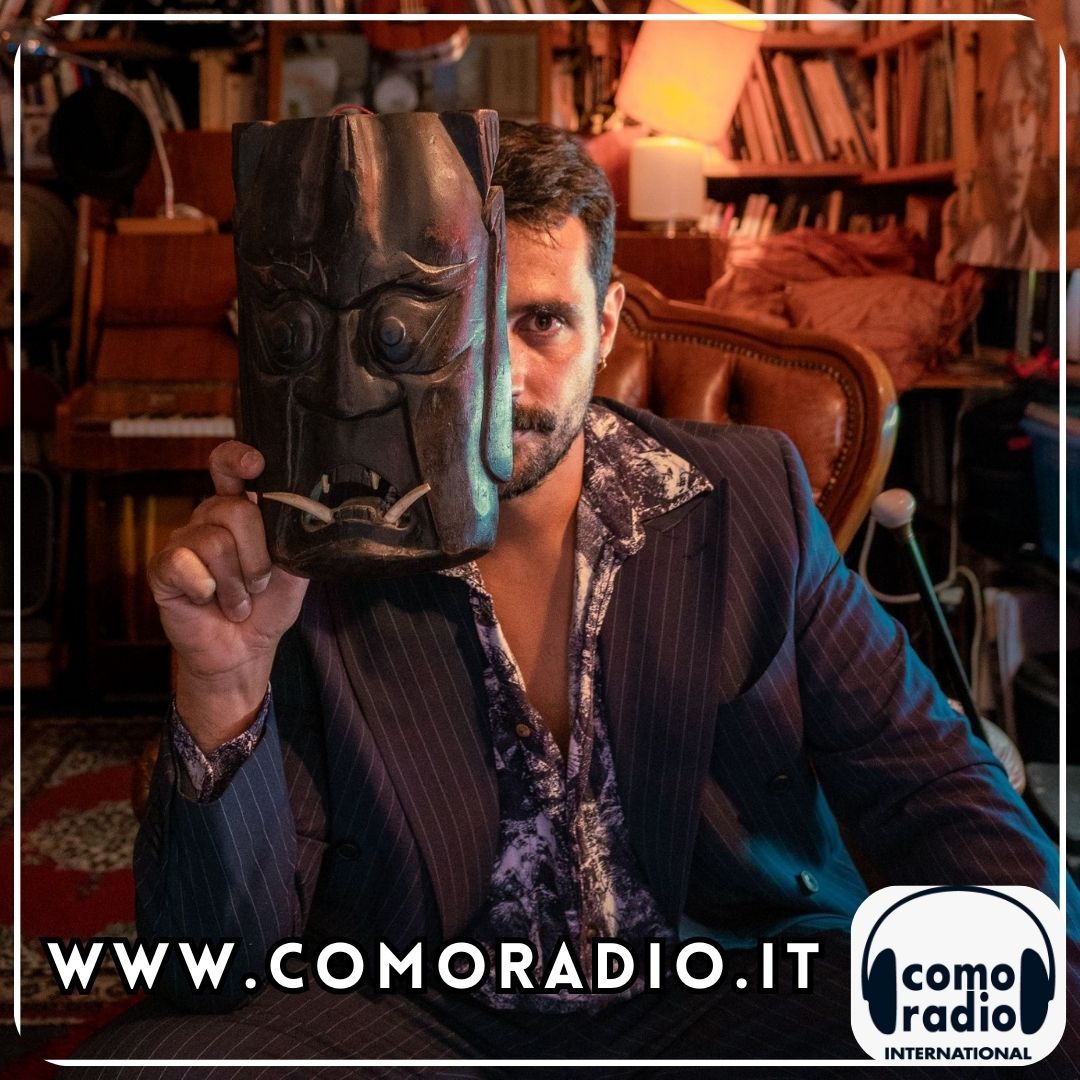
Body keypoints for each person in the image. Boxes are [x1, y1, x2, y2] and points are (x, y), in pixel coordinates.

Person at [75, 121, 1076, 1075]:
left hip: (725, 991)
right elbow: (215, 966)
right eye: (455, 326)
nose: (499, 379)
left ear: (607, 324)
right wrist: (225, 681)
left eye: (541, 321)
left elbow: (930, 782)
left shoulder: (750, 497)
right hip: (427, 1009)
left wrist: (1033, 966)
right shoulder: (317, 548)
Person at [953, 21, 1051, 270]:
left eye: (1026, 114)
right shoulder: (971, 250)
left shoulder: (1044, 256)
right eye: (1004, 118)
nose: (1017, 144)